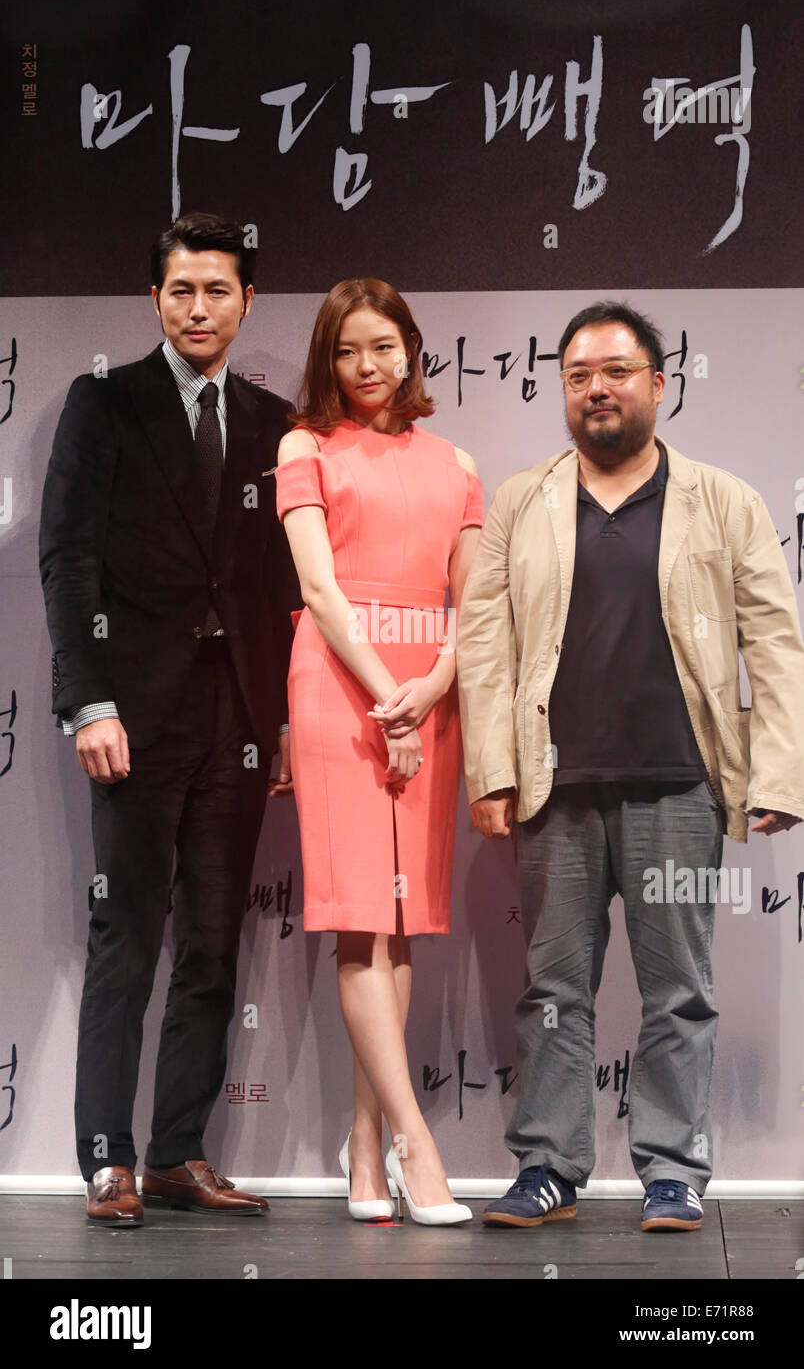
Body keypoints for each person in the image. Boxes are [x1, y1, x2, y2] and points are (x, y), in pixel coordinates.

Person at [457, 300, 804, 1233]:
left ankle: (672, 1169)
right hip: (552, 791)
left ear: (659, 381)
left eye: (615, 371)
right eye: (577, 375)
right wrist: (490, 770)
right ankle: (548, 1167)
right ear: (562, 391)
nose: (595, 389)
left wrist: (775, 774)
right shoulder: (522, 502)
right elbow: (485, 644)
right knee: (554, 989)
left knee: (679, 990)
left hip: (680, 790)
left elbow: (774, 641)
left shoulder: (725, 501)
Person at [39, 212, 301, 1227]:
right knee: (126, 935)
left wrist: (274, 720)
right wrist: (87, 700)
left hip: (234, 712)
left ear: (246, 302)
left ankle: (178, 1153)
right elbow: (69, 558)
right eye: (182, 290)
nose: (200, 308)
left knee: (213, 941)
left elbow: (277, 588)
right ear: (155, 300)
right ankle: (106, 1158)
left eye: (218, 291)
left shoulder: (272, 421)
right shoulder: (104, 404)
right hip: (133, 714)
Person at [274, 279, 482, 1225]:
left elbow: (473, 605)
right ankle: (417, 1144)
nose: (370, 366)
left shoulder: (457, 463)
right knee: (363, 918)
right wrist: (382, 698)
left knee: (403, 924)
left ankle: (363, 1148)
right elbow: (318, 588)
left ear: (412, 350)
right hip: (337, 688)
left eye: (386, 346)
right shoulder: (304, 447)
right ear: (331, 359)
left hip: (428, 697)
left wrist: (430, 691)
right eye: (351, 350)